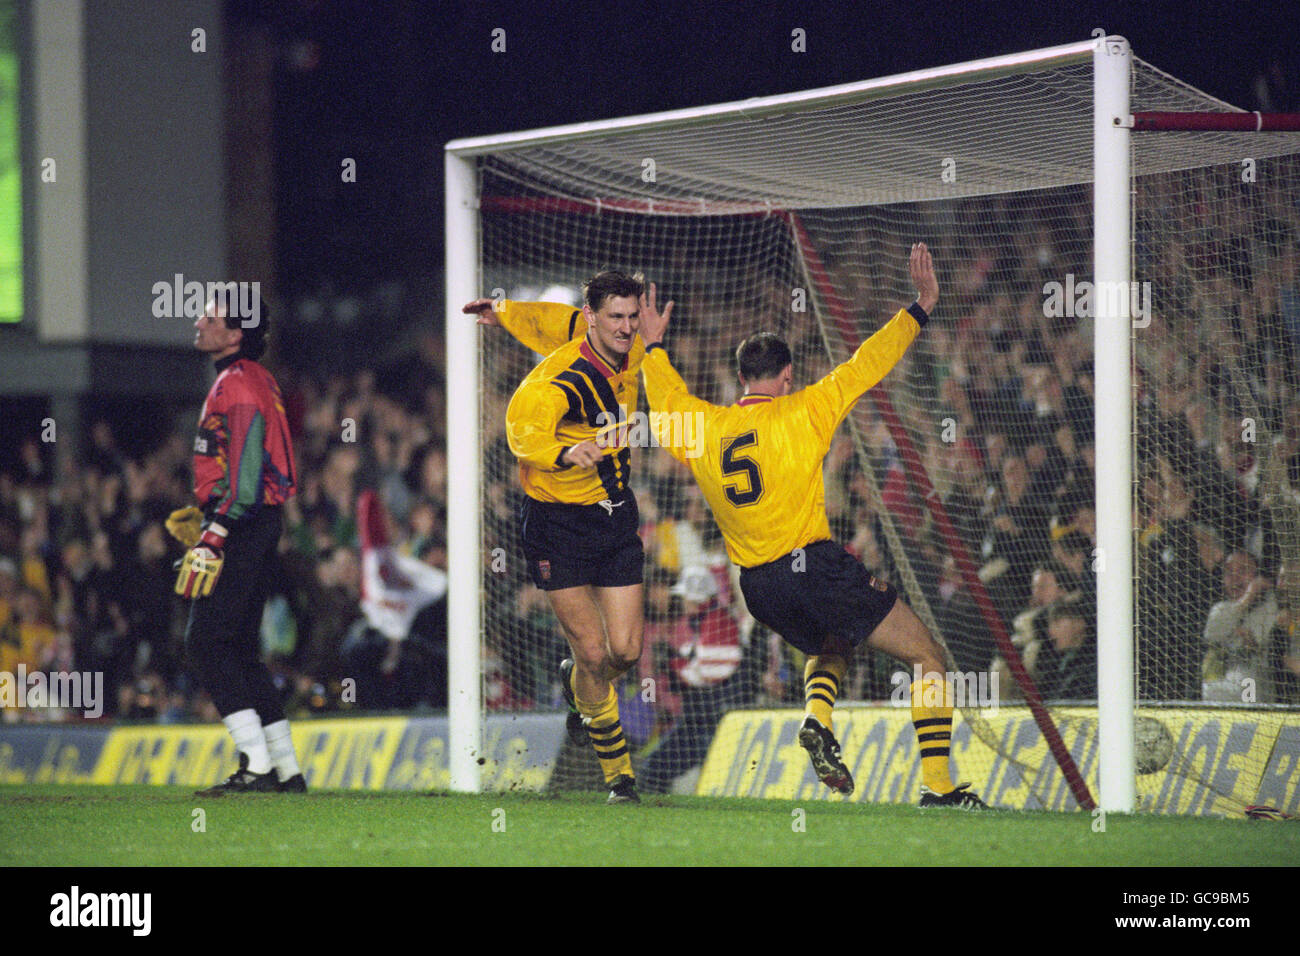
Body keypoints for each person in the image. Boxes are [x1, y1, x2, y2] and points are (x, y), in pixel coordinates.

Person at [638, 243, 988, 808]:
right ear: (786, 375)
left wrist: (653, 345)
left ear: (741, 378)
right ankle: (940, 789)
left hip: (758, 587)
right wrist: (919, 307)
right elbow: (865, 365)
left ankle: (817, 719)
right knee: (926, 655)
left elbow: (666, 401)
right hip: (812, 565)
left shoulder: (703, 427)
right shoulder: (807, 408)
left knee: (831, 642)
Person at [463, 272, 649, 803]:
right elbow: (523, 427)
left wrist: (505, 312)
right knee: (593, 653)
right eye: (616, 317)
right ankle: (619, 780)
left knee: (627, 651)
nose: (626, 327)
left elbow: (548, 319)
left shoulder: (626, 348)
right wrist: (566, 452)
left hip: (612, 516)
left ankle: (576, 688)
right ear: (592, 317)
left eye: (632, 317)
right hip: (556, 525)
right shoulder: (557, 378)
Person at [171, 294, 305, 795]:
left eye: (210, 316)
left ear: (234, 335)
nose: (198, 321)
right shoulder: (254, 379)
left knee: (204, 643)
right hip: (256, 523)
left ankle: (256, 767)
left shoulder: (240, 384)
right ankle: (286, 770)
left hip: (244, 523)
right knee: (241, 650)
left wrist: (216, 530)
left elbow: (246, 482)